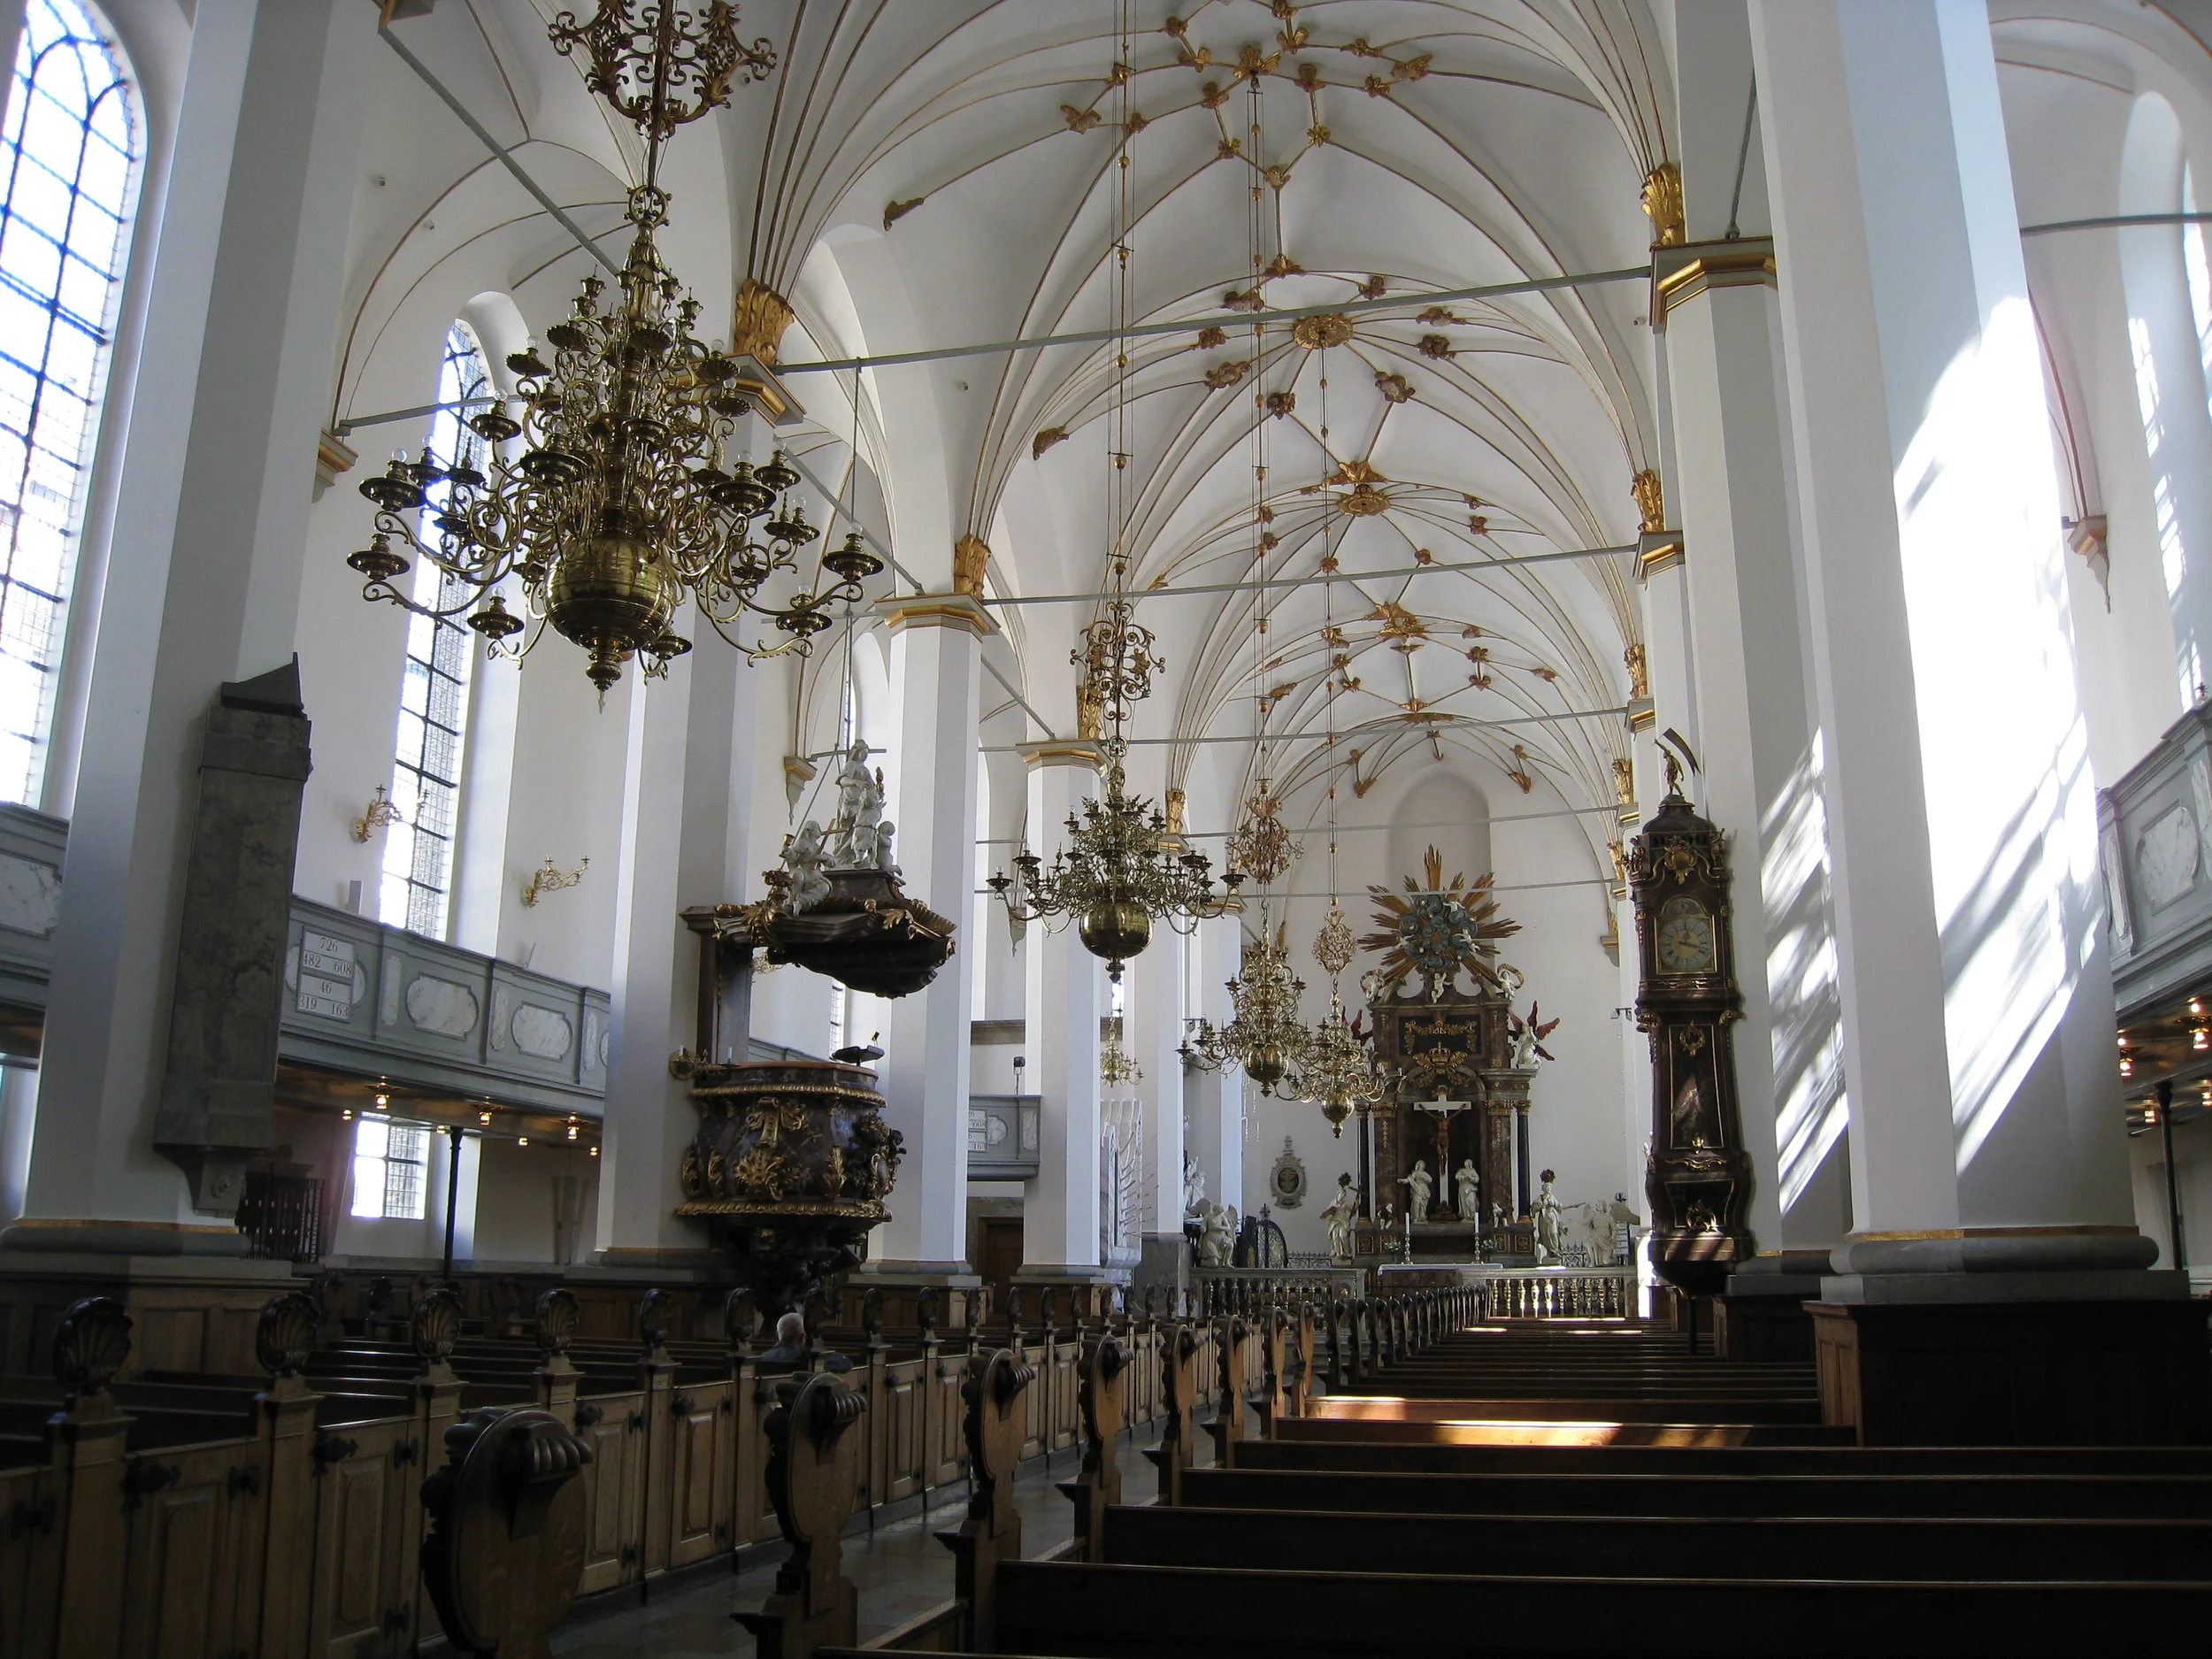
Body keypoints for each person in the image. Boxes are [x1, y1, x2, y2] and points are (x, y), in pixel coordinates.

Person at [757, 1310, 852, 1373]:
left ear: (778, 1334)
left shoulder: (762, 1357)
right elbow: (846, 1364)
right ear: (803, 1336)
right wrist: (818, 1349)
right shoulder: (808, 1358)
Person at [1319, 1173, 1360, 1262]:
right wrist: (1329, 1212)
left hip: (1343, 1221)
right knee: (1335, 1238)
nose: (1341, 1196)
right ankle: (1338, 1254)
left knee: (1343, 1236)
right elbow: (1327, 1211)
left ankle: (1347, 1253)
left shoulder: (1345, 1203)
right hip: (1335, 1221)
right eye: (1340, 1194)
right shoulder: (1334, 1202)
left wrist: (1356, 1204)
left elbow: (1352, 1211)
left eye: (1343, 1195)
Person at [1532, 1168, 1563, 1264]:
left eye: (1549, 1187)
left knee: (1553, 1233)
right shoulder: (1541, 1198)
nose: (1548, 1189)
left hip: (1552, 1217)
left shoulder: (1552, 1197)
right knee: (1545, 1234)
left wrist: (1560, 1206)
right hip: (1544, 1218)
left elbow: (1558, 1207)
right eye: (1546, 1187)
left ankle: (1555, 1250)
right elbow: (1534, 1206)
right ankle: (1550, 1252)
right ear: (1543, 1188)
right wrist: (1540, 1205)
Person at [1398, 1158, 1433, 1225]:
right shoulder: (1415, 1173)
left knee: (1423, 1205)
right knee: (1416, 1202)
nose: (1422, 1166)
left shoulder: (1425, 1173)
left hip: (1424, 1190)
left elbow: (1430, 1180)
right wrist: (1402, 1180)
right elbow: (1410, 1179)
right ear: (1418, 1165)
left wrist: (1425, 1178)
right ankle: (1416, 1217)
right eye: (1421, 1164)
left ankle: (1422, 1217)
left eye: (1423, 1165)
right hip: (1417, 1189)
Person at [1453, 1158, 1480, 1224]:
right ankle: (1466, 1215)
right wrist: (1463, 1177)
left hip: (1470, 1188)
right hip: (1463, 1188)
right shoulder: (1462, 1171)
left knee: (1470, 1201)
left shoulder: (1473, 1171)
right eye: (1466, 1162)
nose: (1467, 1163)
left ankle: (1472, 1215)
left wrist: (1471, 1178)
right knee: (1464, 1202)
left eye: (1468, 1162)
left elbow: (1477, 1179)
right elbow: (1457, 1176)